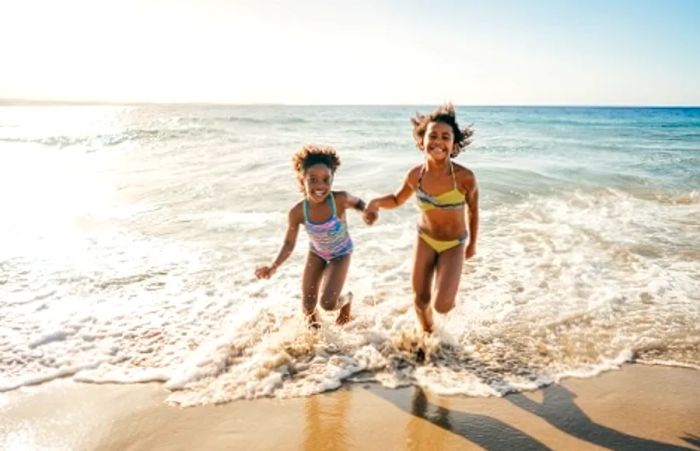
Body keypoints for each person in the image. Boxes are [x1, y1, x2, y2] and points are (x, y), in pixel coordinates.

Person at [363, 104, 479, 333]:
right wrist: (375, 202)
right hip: (425, 239)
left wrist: (473, 243)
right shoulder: (416, 175)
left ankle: (449, 294)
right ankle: (428, 334)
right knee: (420, 300)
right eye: (432, 135)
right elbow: (397, 199)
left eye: (446, 137)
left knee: (442, 305)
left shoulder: (465, 178)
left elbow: (473, 211)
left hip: (453, 244)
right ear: (421, 142)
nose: (438, 141)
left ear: (454, 145)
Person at [255, 145, 366, 328]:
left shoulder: (338, 200)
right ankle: (314, 341)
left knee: (328, 303)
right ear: (302, 180)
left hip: (341, 254)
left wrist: (367, 212)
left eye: (325, 180)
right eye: (312, 180)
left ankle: (347, 300)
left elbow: (358, 203)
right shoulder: (298, 212)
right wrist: (273, 266)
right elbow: (289, 243)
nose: (320, 186)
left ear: (332, 180)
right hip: (317, 253)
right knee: (307, 306)